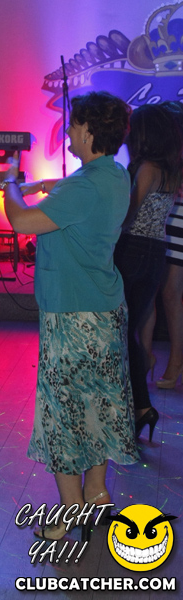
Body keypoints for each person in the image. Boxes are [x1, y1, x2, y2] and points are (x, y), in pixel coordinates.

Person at [1, 91, 138, 541]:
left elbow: (22, 222)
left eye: (75, 125)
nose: (70, 132)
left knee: (63, 413)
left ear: (89, 132)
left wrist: (11, 185)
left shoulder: (84, 187)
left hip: (73, 315)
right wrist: (48, 186)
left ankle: (69, 512)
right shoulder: (115, 174)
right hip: (105, 310)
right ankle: (96, 494)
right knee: (96, 406)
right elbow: (78, 191)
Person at [114, 104, 183, 439]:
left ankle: (137, 405)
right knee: (128, 328)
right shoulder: (168, 169)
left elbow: (128, 215)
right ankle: (140, 406)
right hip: (155, 251)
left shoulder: (146, 168)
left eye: (132, 128)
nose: (128, 134)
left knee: (122, 330)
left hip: (134, 250)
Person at [139, 102, 183, 390]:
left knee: (169, 293)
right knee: (157, 293)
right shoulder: (166, 149)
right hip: (169, 217)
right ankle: (148, 358)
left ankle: (175, 360)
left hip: (177, 218)